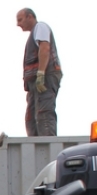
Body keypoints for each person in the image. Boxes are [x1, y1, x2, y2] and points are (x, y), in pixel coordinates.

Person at [16, 8, 62, 137]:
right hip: (35, 82)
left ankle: (47, 147)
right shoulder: (34, 33)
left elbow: (44, 48)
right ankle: (35, 147)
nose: (18, 24)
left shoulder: (40, 27)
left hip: (46, 76)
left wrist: (41, 73)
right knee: (31, 118)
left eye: (20, 19)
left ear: (30, 17)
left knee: (44, 113)